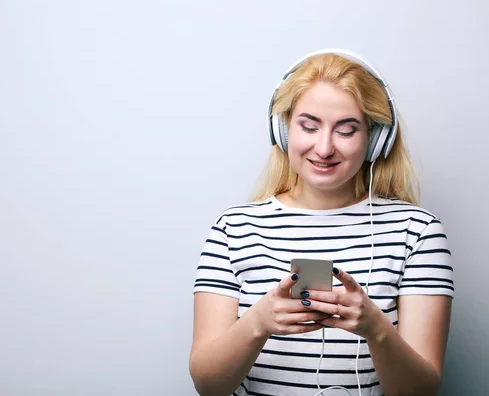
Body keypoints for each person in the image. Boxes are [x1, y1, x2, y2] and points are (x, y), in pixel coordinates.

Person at [188, 48, 454, 396]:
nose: (324, 147)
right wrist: (258, 321)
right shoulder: (234, 229)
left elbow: (420, 392)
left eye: (346, 130)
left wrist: (376, 329)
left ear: (375, 139)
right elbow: (208, 386)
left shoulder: (418, 233)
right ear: (283, 131)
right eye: (309, 126)